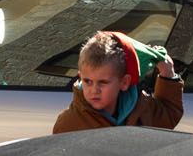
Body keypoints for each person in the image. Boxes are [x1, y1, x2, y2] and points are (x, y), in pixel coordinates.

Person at [53, 29, 184, 134]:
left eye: (103, 82)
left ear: (124, 82)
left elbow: (168, 117)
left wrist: (168, 74)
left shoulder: (141, 106)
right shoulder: (69, 124)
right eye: (87, 81)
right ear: (80, 76)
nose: (94, 90)